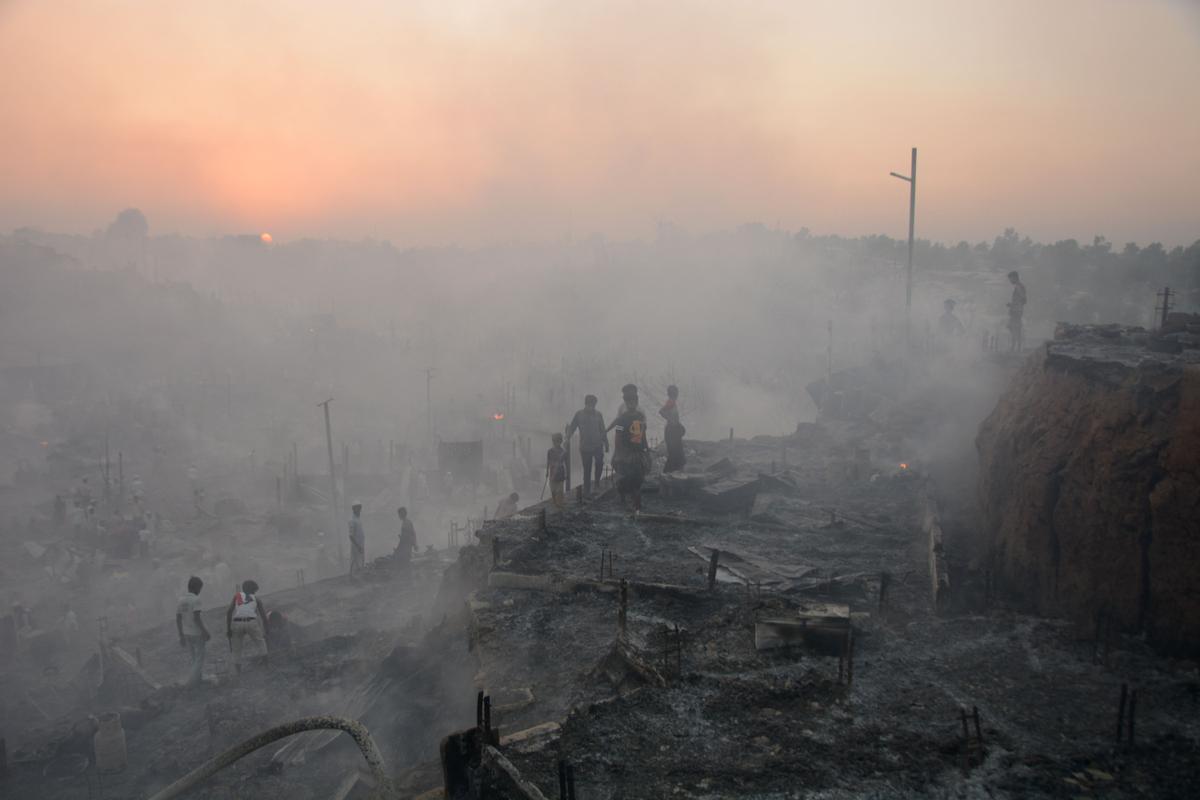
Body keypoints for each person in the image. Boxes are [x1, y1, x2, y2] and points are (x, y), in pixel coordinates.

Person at [607, 384, 650, 515]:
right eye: (629, 402)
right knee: (627, 477)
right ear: (626, 402)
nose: (631, 404)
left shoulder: (640, 416)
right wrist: (618, 452)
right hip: (626, 453)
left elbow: (643, 434)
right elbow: (618, 435)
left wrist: (646, 448)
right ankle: (623, 495)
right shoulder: (621, 419)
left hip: (637, 453)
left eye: (634, 402)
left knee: (638, 479)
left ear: (636, 402)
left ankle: (637, 506)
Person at [565, 395, 609, 495]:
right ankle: (586, 491)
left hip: (598, 445)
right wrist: (567, 438)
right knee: (587, 469)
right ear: (586, 404)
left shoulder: (598, 415)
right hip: (585, 447)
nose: (591, 407)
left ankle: (597, 482)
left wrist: (606, 443)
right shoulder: (579, 414)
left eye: (593, 405)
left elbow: (602, 429)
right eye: (589, 405)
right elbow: (572, 428)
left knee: (599, 463)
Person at [225, 580, 268, 675]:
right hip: (251, 621)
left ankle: (238, 671)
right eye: (254, 591)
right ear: (252, 590)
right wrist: (266, 629)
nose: (254, 593)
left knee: (237, 647)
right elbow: (263, 616)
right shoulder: (256, 598)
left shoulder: (236, 596)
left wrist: (228, 629)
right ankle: (266, 663)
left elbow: (229, 612)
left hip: (237, 622)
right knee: (260, 641)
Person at [176, 576, 210, 688]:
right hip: (196, 633)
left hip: (186, 633)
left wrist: (181, 635)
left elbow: (178, 618)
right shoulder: (196, 599)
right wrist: (205, 631)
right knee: (200, 658)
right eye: (200, 588)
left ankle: (197, 679)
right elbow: (196, 618)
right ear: (197, 587)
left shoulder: (181, 600)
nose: (200, 591)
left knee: (193, 658)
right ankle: (191, 682)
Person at [659, 385, 686, 473]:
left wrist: (678, 424)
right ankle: (667, 473)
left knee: (677, 453)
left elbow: (673, 417)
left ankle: (675, 473)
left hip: (673, 430)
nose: (676, 394)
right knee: (674, 453)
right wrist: (671, 420)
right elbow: (662, 411)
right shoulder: (671, 402)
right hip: (671, 431)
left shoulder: (672, 402)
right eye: (674, 392)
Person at [1007, 270, 1027, 352]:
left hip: (1016, 311)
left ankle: (1015, 347)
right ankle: (1016, 347)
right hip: (1017, 310)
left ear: (1015, 277)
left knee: (1014, 328)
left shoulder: (1019, 286)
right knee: (1014, 328)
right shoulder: (1019, 286)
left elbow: (1023, 299)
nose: (1010, 281)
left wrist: (1014, 306)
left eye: (1011, 278)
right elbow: (1022, 299)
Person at [546, 433, 567, 508]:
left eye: (558, 441)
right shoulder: (550, 451)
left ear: (560, 441)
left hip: (560, 472)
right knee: (553, 489)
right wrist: (547, 472)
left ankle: (559, 503)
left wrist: (566, 474)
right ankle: (555, 501)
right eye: (555, 441)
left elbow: (565, 463)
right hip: (552, 472)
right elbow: (548, 462)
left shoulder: (563, 452)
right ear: (553, 441)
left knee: (560, 490)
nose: (556, 443)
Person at [395, 507, 417, 573]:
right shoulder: (407, 522)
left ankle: (406, 578)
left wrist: (398, 548)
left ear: (402, 514)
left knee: (404, 563)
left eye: (399, 514)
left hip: (406, 547)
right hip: (407, 546)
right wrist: (414, 544)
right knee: (406, 563)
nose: (398, 516)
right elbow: (413, 534)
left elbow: (405, 537)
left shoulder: (406, 523)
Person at [348, 503, 366, 575]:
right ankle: (353, 578)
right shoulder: (352, 520)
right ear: (354, 509)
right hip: (356, 546)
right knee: (355, 561)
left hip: (360, 545)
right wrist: (358, 546)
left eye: (360, 509)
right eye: (358, 509)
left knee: (360, 562)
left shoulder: (358, 519)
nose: (359, 511)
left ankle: (358, 577)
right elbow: (351, 536)